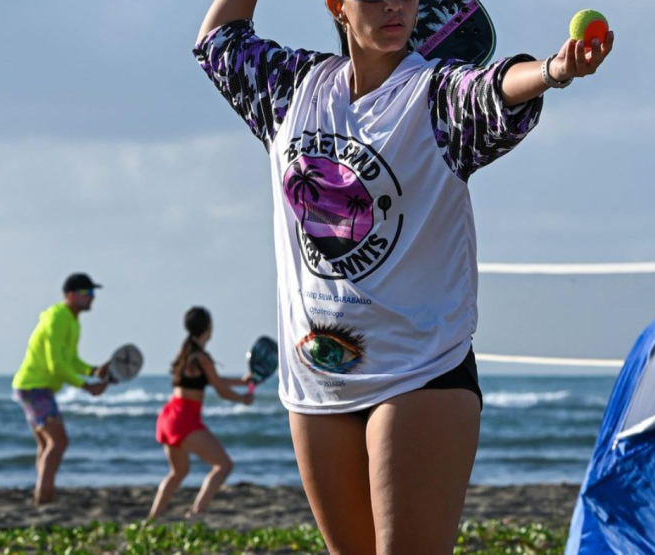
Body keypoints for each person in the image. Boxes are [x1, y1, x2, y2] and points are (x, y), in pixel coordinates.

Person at [193, 1, 613, 553]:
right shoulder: (290, 90)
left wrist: (555, 71)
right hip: (317, 382)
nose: (395, 4)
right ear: (337, 6)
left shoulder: (438, 98)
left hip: (420, 375)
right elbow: (219, 40)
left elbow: (498, 87)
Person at [12, 272, 110, 505]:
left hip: (33, 387)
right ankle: (43, 495)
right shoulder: (58, 318)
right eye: (87, 293)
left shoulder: (72, 321)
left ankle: (45, 493)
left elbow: (71, 360)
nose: (92, 298)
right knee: (59, 442)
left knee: (46, 445)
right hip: (35, 387)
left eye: (93, 293)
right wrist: (87, 387)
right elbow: (55, 365)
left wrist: (92, 371)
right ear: (71, 295)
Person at [149, 306, 254, 519]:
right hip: (184, 418)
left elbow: (210, 381)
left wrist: (241, 382)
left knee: (178, 473)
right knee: (224, 465)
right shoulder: (202, 357)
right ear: (208, 327)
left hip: (169, 415)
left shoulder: (185, 353)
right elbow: (221, 390)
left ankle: (152, 519)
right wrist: (243, 398)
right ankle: (195, 514)